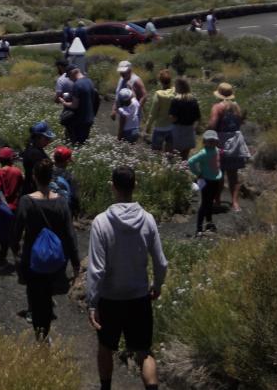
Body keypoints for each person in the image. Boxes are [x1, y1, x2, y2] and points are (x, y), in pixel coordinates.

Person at [86, 166, 167, 390]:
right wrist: (157, 285)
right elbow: (161, 262)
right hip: (139, 296)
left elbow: (96, 269)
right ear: (135, 186)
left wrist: (92, 303)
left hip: (110, 298)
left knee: (105, 346)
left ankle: (106, 388)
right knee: (144, 352)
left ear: (112, 186)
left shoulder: (101, 222)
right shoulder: (148, 220)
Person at [15, 158, 81, 340]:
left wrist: (15, 252)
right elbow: (70, 234)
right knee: (48, 292)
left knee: (35, 295)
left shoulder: (26, 201)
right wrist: (76, 263)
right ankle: (45, 331)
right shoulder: (61, 202)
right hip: (55, 258)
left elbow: (17, 230)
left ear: (34, 177)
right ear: (51, 177)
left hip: (32, 257)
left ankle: (40, 334)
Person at [209, 82, 244, 207]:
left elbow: (212, 125)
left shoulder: (217, 107)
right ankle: (235, 203)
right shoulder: (236, 107)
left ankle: (217, 200)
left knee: (219, 173)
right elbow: (240, 122)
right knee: (233, 174)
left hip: (221, 141)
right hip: (235, 141)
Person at [0, 147, 24, 265]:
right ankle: (4, 258)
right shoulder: (17, 172)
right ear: (11, 159)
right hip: (13, 209)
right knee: (9, 235)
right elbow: (22, 188)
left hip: (0, 209)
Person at [188, 131, 223, 235]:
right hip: (206, 180)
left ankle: (209, 223)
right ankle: (199, 228)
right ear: (204, 142)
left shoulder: (216, 150)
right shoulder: (203, 153)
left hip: (216, 179)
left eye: (214, 141)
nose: (212, 143)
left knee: (210, 202)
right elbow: (191, 161)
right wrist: (198, 173)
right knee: (204, 204)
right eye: (209, 141)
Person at [142, 69, 176, 154]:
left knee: (155, 153)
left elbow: (153, 114)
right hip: (171, 127)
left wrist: (147, 127)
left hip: (160, 128)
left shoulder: (158, 94)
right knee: (169, 155)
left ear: (160, 81)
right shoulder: (175, 92)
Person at [168, 76, 201, 158]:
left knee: (174, 156)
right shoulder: (193, 100)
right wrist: (194, 128)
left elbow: (173, 118)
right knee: (185, 157)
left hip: (178, 130)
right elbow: (198, 118)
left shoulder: (175, 101)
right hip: (189, 129)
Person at [113, 61, 146, 141]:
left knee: (127, 135)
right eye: (121, 72)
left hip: (132, 115)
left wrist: (137, 108)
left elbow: (144, 95)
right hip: (123, 112)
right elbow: (118, 95)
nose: (121, 73)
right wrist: (114, 109)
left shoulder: (136, 80)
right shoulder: (121, 79)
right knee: (123, 132)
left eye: (123, 71)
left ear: (129, 70)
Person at [65, 67, 98, 145]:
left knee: (76, 144)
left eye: (69, 76)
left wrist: (64, 102)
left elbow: (74, 105)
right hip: (89, 119)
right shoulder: (89, 81)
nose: (70, 79)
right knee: (84, 142)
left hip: (80, 120)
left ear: (72, 73)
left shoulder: (77, 85)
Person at [21, 121, 55, 195]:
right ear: (38, 137)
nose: (49, 141)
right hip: (35, 191)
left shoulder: (33, 147)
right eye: (46, 138)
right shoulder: (35, 153)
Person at [51, 145, 80, 218]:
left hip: (46, 206)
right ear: (67, 161)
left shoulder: (46, 171)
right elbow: (75, 196)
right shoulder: (70, 177)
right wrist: (76, 210)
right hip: (63, 210)